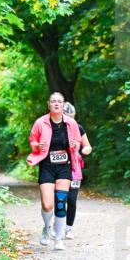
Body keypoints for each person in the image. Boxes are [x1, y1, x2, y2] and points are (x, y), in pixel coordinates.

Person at [27, 91, 82, 251]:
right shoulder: (40, 122)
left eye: (59, 101)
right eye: (53, 101)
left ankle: (58, 239)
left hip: (64, 166)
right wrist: (37, 146)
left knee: (60, 201)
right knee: (47, 204)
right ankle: (46, 227)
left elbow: (77, 142)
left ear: (63, 104)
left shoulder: (71, 124)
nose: (56, 104)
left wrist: (74, 145)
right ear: (49, 104)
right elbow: (33, 140)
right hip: (47, 166)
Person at [61, 102, 92, 239]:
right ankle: (56, 226)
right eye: (68, 117)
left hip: (74, 167)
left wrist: (86, 149)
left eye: (72, 117)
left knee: (72, 199)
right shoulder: (55, 128)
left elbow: (87, 146)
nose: (70, 121)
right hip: (59, 166)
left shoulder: (79, 128)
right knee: (60, 198)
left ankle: (68, 229)